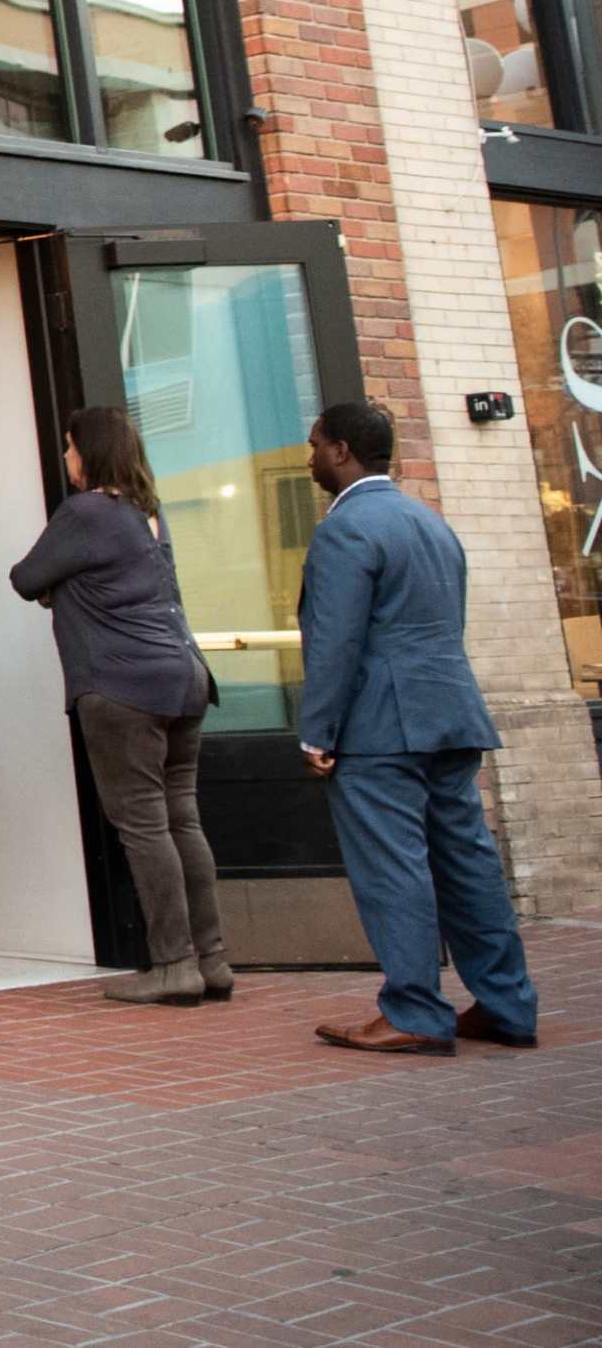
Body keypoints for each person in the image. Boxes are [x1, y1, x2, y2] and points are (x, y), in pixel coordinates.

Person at [296, 399, 541, 1056]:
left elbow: (337, 640)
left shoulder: (347, 528)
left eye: (316, 442)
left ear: (343, 449)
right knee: (468, 864)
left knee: (393, 867)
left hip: (379, 729)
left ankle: (414, 1011)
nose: (309, 454)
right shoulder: (431, 523)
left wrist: (317, 730)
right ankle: (508, 1004)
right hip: (451, 716)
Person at [10, 405, 227, 1006]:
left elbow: (25, 577)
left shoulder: (84, 513)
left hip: (122, 685)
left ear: (90, 452)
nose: (65, 457)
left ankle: (174, 966)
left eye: (70, 447)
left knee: (144, 824)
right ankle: (211, 960)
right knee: (181, 817)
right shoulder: (147, 513)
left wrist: (60, 586)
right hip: (184, 679)